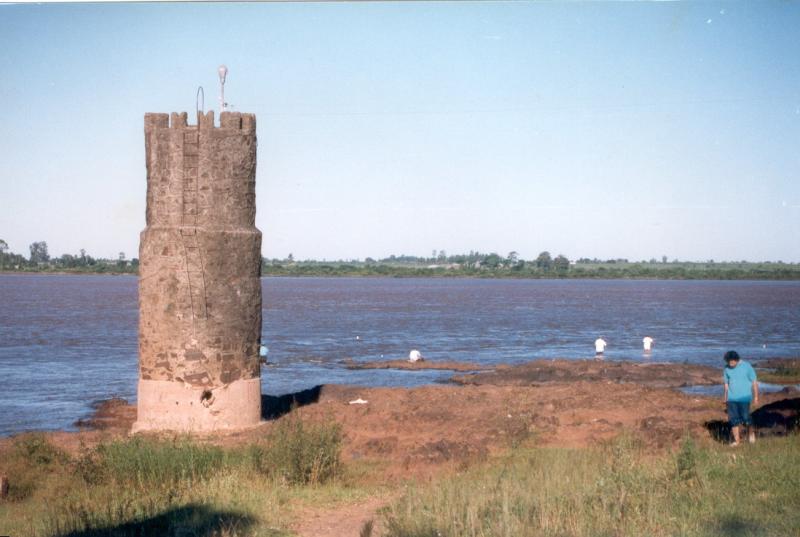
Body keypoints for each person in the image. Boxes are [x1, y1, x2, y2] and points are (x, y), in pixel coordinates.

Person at [723, 350, 759, 446]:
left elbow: (754, 382)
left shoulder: (747, 366)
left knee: (746, 418)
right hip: (731, 399)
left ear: (736, 359)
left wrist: (756, 397)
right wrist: (725, 398)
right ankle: (737, 441)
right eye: (728, 362)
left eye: (731, 362)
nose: (730, 364)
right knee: (733, 420)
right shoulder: (726, 368)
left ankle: (751, 434)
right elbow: (726, 384)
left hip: (744, 398)